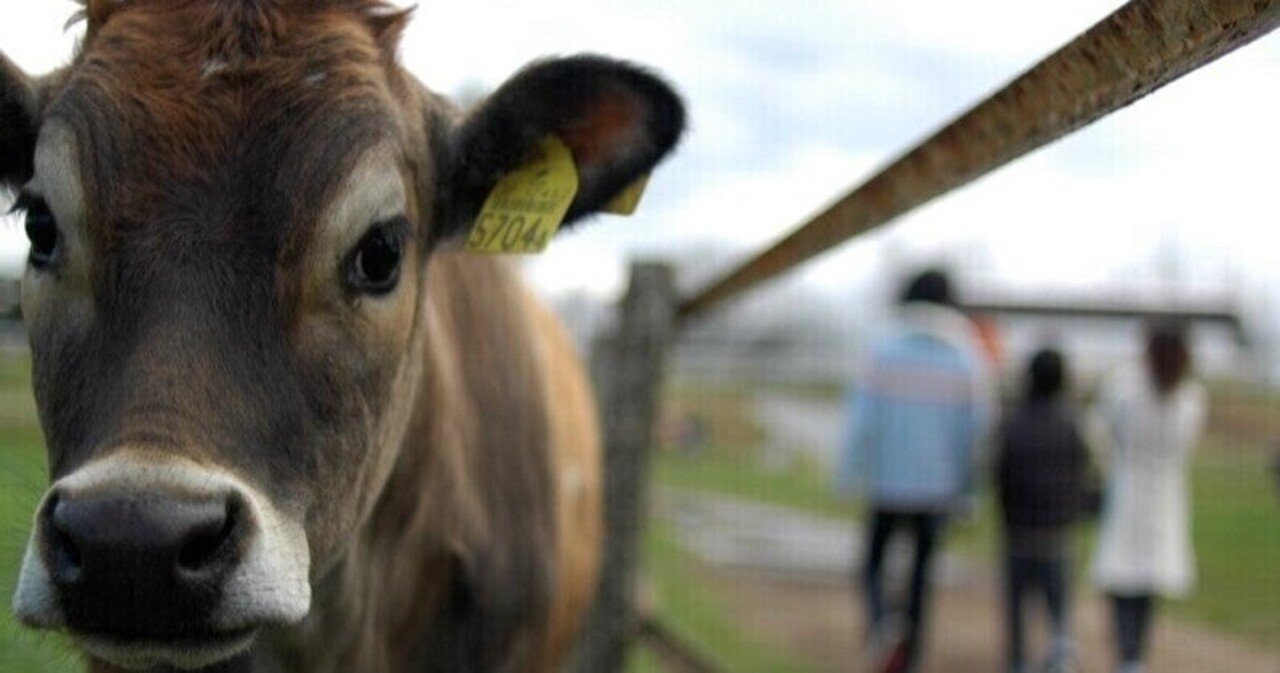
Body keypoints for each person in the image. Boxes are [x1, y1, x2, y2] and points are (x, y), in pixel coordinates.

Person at [838, 269, 994, 673]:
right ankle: (911, 658)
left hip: (888, 484)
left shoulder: (884, 349)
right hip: (938, 488)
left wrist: (848, 473)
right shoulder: (966, 356)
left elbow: (862, 420)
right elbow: (975, 432)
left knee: (873, 565)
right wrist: (969, 490)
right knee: (922, 577)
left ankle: (883, 624)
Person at [1092, 321, 1207, 673]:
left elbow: (1098, 432)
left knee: (1124, 580)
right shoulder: (1191, 397)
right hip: (1165, 493)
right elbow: (1189, 446)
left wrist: (1108, 465)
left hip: (1129, 488)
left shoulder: (1125, 386)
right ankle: (1135, 657)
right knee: (1147, 582)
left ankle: (1127, 657)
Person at [995, 349, 1090, 673]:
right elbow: (1083, 474)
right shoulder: (1071, 423)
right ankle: (1059, 662)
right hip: (1057, 534)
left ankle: (1019, 663)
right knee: (1058, 612)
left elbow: (1000, 476)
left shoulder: (1014, 422)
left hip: (1019, 533)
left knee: (1017, 613)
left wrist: (1007, 518)